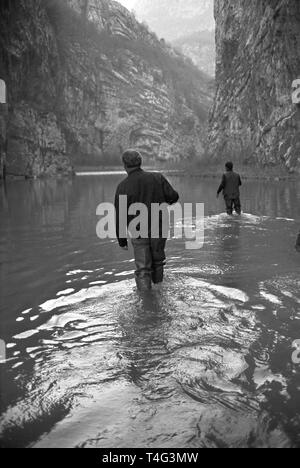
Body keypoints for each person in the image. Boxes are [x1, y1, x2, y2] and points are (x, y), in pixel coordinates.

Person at [114, 150, 179, 291]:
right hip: (159, 227)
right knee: (158, 262)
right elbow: (173, 197)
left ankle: (146, 301)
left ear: (124, 166)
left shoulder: (122, 186)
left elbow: (120, 216)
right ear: (140, 162)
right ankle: (158, 292)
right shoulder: (157, 178)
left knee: (143, 268)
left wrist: (122, 240)